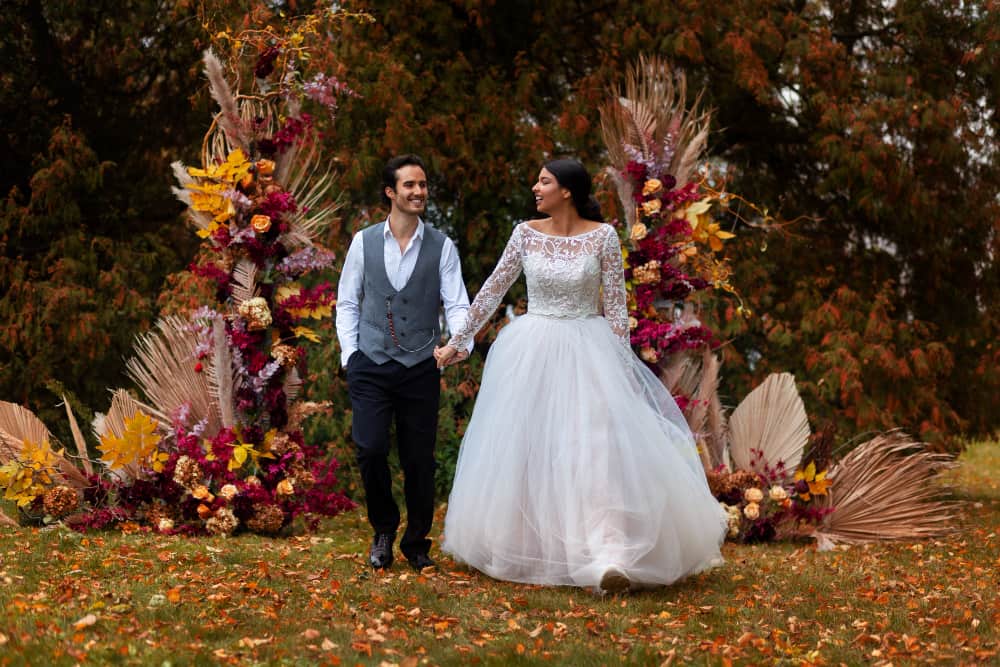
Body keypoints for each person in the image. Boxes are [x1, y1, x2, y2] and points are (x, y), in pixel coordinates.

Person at [434, 159, 726, 593]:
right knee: (528, 448)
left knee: (594, 452)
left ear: (566, 190)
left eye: (544, 181)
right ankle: (525, 543)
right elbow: (495, 288)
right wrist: (459, 340)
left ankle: (608, 554)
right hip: (531, 349)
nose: (535, 187)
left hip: (590, 352)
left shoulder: (603, 237)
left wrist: (623, 372)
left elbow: (616, 310)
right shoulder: (525, 234)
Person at [336, 154, 472, 570]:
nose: (418, 192)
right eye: (409, 185)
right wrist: (350, 354)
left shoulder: (442, 246)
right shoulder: (363, 241)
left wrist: (458, 341)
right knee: (370, 448)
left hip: (421, 366)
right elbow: (347, 301)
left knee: (419, 460)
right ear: (390, 192)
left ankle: (416, 544)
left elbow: (457, 303)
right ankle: (383, 529)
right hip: (370, 363)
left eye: (423, 185)